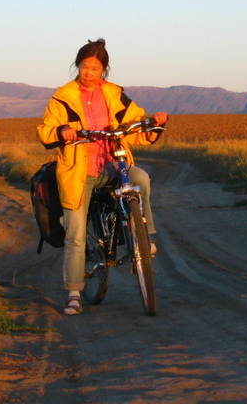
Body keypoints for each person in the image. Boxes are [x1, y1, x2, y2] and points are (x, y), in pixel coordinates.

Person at [36, 38, 169, 316]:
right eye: (84, 67)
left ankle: (146, 236)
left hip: (112, 164)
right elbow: (46, 130)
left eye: (95, 68)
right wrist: (62, 132)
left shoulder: (114, 94)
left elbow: (137, 124)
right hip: (78, 172)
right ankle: (74, 294)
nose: (89, 73)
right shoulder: (63, 97)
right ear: (77, 66)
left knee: (141, 178)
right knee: (76, 233)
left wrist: (154, 123)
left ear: (104, 70)